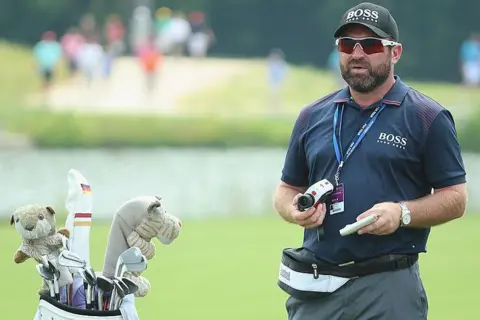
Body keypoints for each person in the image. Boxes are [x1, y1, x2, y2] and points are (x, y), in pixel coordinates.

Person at [273, 2, 467, 320]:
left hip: (388, 286)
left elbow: (456, 199)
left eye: (372, 44)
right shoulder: (312, 115)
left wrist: (402, 213)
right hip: (317, 286)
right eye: (348, 44)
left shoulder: (427, 116)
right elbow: (285, 189)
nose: (357, 54)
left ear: (395, 52)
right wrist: (294, 210)